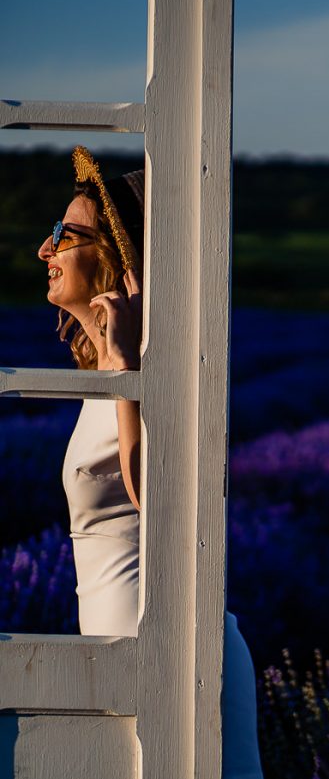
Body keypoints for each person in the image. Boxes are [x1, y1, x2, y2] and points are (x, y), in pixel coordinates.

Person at [40, 146, 263, 777]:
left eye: (65, 234)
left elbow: (165, 506)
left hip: (174, 657)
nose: (45, 250)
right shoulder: (101, 368)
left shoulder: (147, 366)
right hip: (126, 650)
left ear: (116, 254)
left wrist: (129, 379)